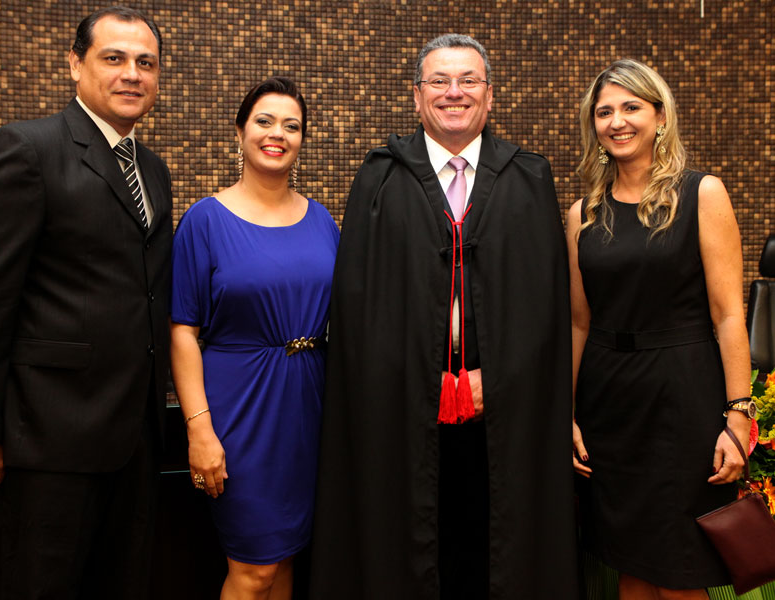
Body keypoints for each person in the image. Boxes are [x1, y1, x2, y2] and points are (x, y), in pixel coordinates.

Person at [309, 34, 578, 599]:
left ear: (490, 95)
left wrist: (495, 380)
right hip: (402, 411)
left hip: (502, 411)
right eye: (439, 81)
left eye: (468, 80)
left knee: (495, 555)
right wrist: (415, 379)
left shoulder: (529, 178)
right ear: (417, 96)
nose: (454, 92)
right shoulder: (378, 179)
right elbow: (359, 311)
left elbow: (545, 312)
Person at [0, 7, 172, 597]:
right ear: (75, 64)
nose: (132, 74)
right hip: (47, 441)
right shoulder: (25, 149)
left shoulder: (152, 170)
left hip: (134, 441)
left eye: (146, 63)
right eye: (114, 58)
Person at [568, 59, 752, 599]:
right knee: (631, 566)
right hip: (609, 405)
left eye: (631, 107)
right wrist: (566, 414)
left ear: (660, 116)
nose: (617, 121)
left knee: (679, 570)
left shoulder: (703, 194)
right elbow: (579, 321)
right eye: (604, 111)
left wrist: (739, 413)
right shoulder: (582, 214)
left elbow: (728, 314)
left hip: (683, 398)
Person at [170, 76, 339, 600]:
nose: (277, 134)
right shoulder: (204, 220)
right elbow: (182, 331)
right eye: (264, 121)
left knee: (284, 561)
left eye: (292, 126)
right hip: (238, 409)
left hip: (308, 407)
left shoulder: (323, 221)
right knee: (254, 570)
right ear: (239, 132)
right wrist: (200, 431)